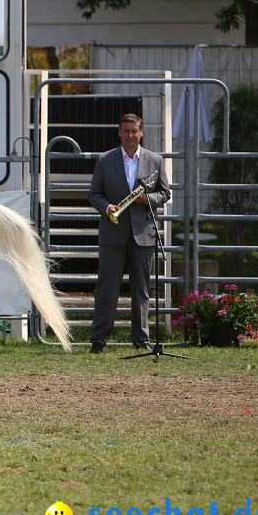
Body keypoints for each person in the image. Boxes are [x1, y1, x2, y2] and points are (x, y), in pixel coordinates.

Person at [88, 113, 171, 353]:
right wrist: (107, 207)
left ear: (141, 132)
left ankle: (141, 340)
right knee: (107, 288)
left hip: (143, 234)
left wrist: (147, 199)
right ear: (119, 133)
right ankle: (98, 340)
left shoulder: (154, 160)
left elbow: (165, 193)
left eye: (134, 131)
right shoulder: (105, 160)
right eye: (126, 131)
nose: (130, 135)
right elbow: (94, 194)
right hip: (112, 234)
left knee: (141, 290)